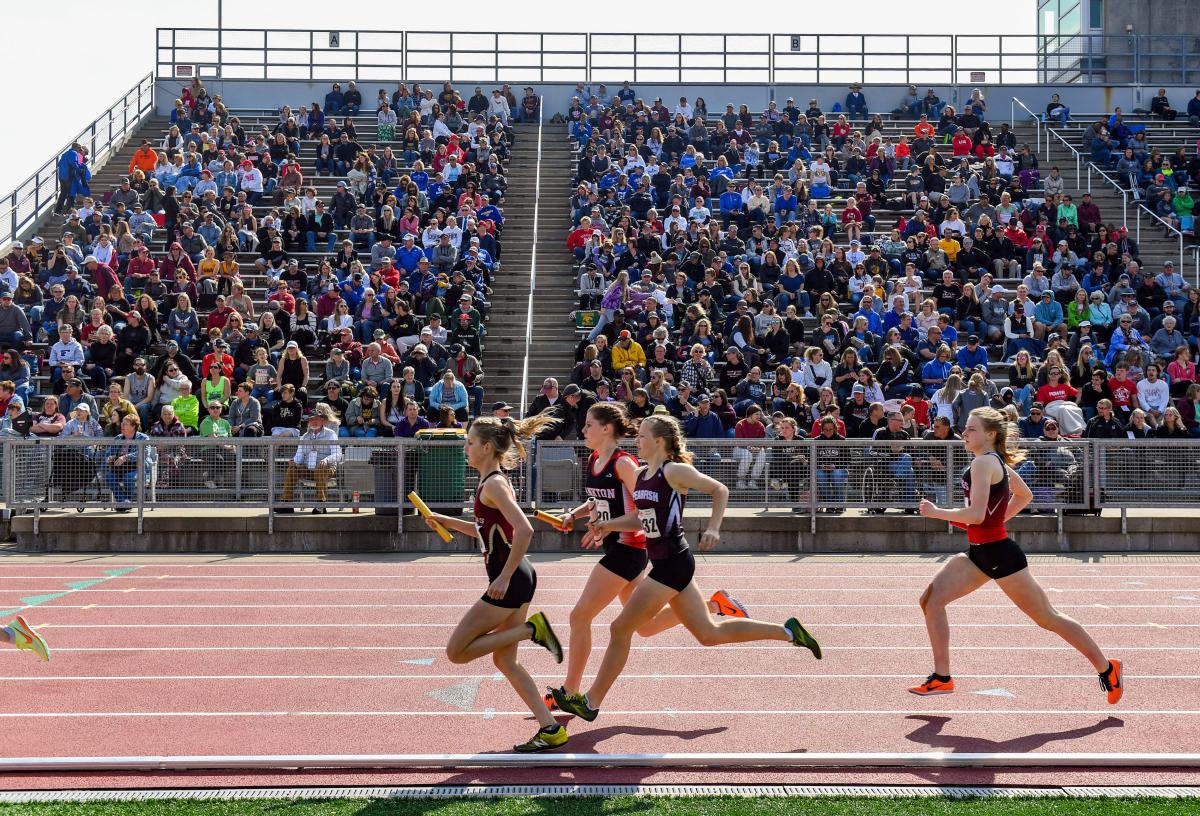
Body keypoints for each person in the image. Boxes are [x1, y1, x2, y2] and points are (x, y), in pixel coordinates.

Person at [552, 415, 822, 723]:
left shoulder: (674, 471)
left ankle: (591, 701)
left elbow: (720, 490)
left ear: (659, 441)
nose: (636, 441)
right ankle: (789, 632)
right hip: (664, 562)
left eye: (641, 436)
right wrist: (606, 525)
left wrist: (714, 528)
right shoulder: (640, 474)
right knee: (709, 633)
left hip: (673, 563)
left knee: (620, 628)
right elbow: (639, 518)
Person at [544, 403, 748, 709]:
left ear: (606, 429)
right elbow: (597, 498)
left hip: (630, 548)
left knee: (580, 615)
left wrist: (608, 526)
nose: (583, 430)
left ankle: (570, 691)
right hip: (617, 546)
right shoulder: (594, 460)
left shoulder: (624, 464)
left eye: (588, 425)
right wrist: (575, 515)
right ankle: (714, 604)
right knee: (645, 627)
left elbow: (644, 505)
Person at [914, 407, 1123, 703]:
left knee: (1048, 618)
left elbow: (975, 515)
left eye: (971, 429)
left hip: (1000, 555)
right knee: (930, 601)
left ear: (990, 434)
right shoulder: (990, 461)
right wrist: (993, 520)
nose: (965, 433)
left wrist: (937, 513)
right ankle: (942, 677)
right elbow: (1023, 496)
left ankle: (1107, 668)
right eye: (966, 428)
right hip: (979, 553)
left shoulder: (983, 464)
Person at [420, 414, 568, 753]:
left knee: (456, 652)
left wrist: (502, 576)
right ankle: (551, 729)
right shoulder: (490, 482)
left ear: (487, 448)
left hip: (510, 580)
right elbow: (488, 533)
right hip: (516, 578)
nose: (465, 448)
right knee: (505, 661)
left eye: (470, 443)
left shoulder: (495, 485)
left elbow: (525, 530)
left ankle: (532, 630)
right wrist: (447, 521)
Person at [279, 403, 343, 513]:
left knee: (320, 469)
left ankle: (321, 504)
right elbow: (299, 455)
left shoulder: (331, 434)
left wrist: (326, 460)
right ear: (308, 422)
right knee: (292, 469)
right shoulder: (304, 437)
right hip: (308, 468)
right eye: (312, 420)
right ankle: (286, 503)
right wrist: (294, 461)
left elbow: (338, 454)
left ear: (322, 420)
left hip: (327, 468)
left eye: (317, 419)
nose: (314, 422)